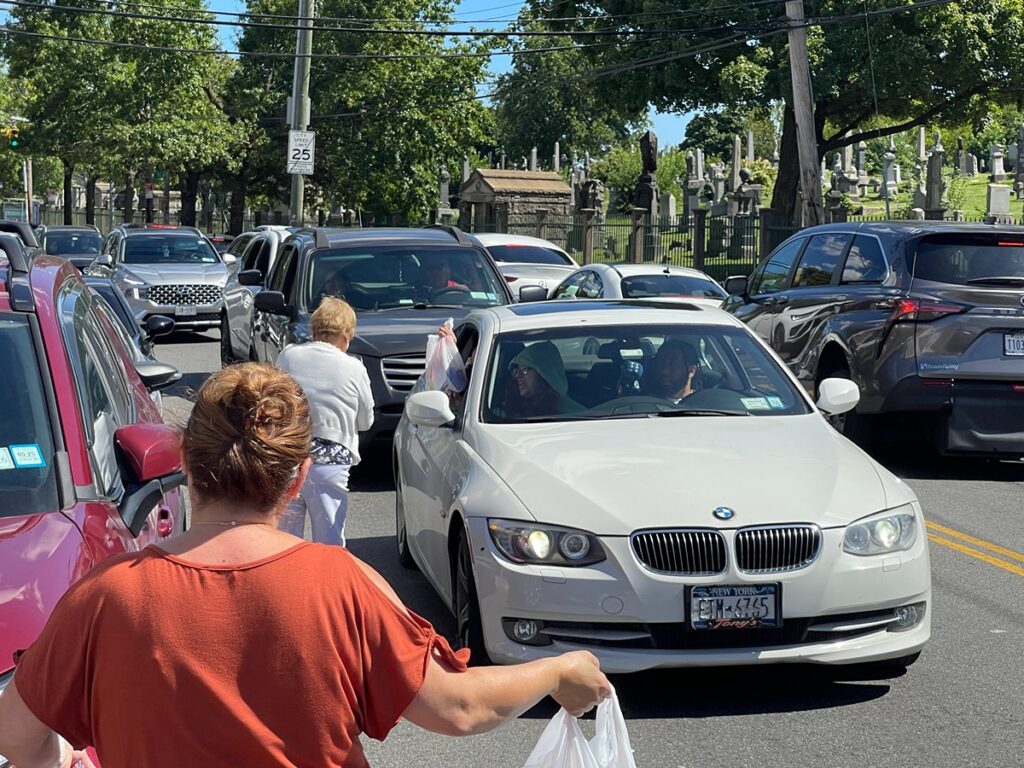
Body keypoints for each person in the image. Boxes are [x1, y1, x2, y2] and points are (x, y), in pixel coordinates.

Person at [0, 364, 611, 767]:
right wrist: (558, 671)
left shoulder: (105, 598)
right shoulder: (340, 586)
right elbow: (458, 708)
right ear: (296, 479)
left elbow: (19, 736)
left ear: (185, 463)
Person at [275, 297, 372, 547]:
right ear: (346, 335)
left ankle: (287, 585)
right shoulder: (354, 367)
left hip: (289, 456)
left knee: (285, 541)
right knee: (329, 542)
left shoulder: (288, 356)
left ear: (314, 330)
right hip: (331, 462)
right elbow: (365, 421)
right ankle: (326, 585)